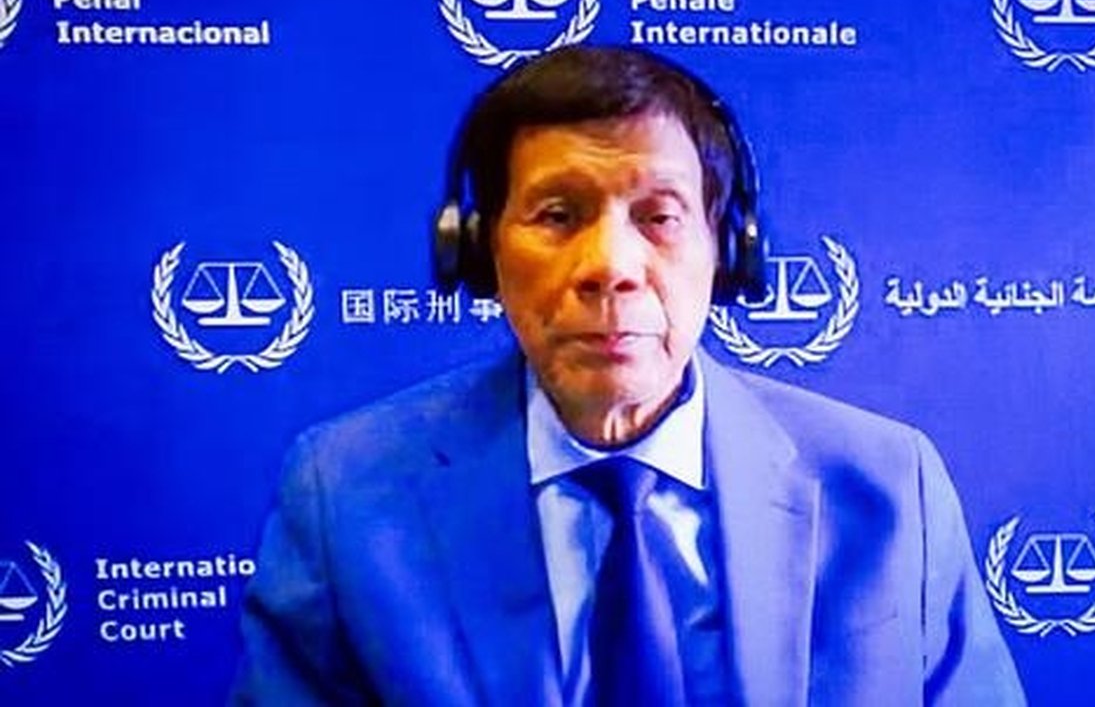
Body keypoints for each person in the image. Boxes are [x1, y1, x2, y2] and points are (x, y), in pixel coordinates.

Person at [232, 45, 1025, 706]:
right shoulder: (347, 493)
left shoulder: (889, 488)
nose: (610, 265)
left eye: (659, 216)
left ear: (727, 249)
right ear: (480, 251)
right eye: (557, 215)